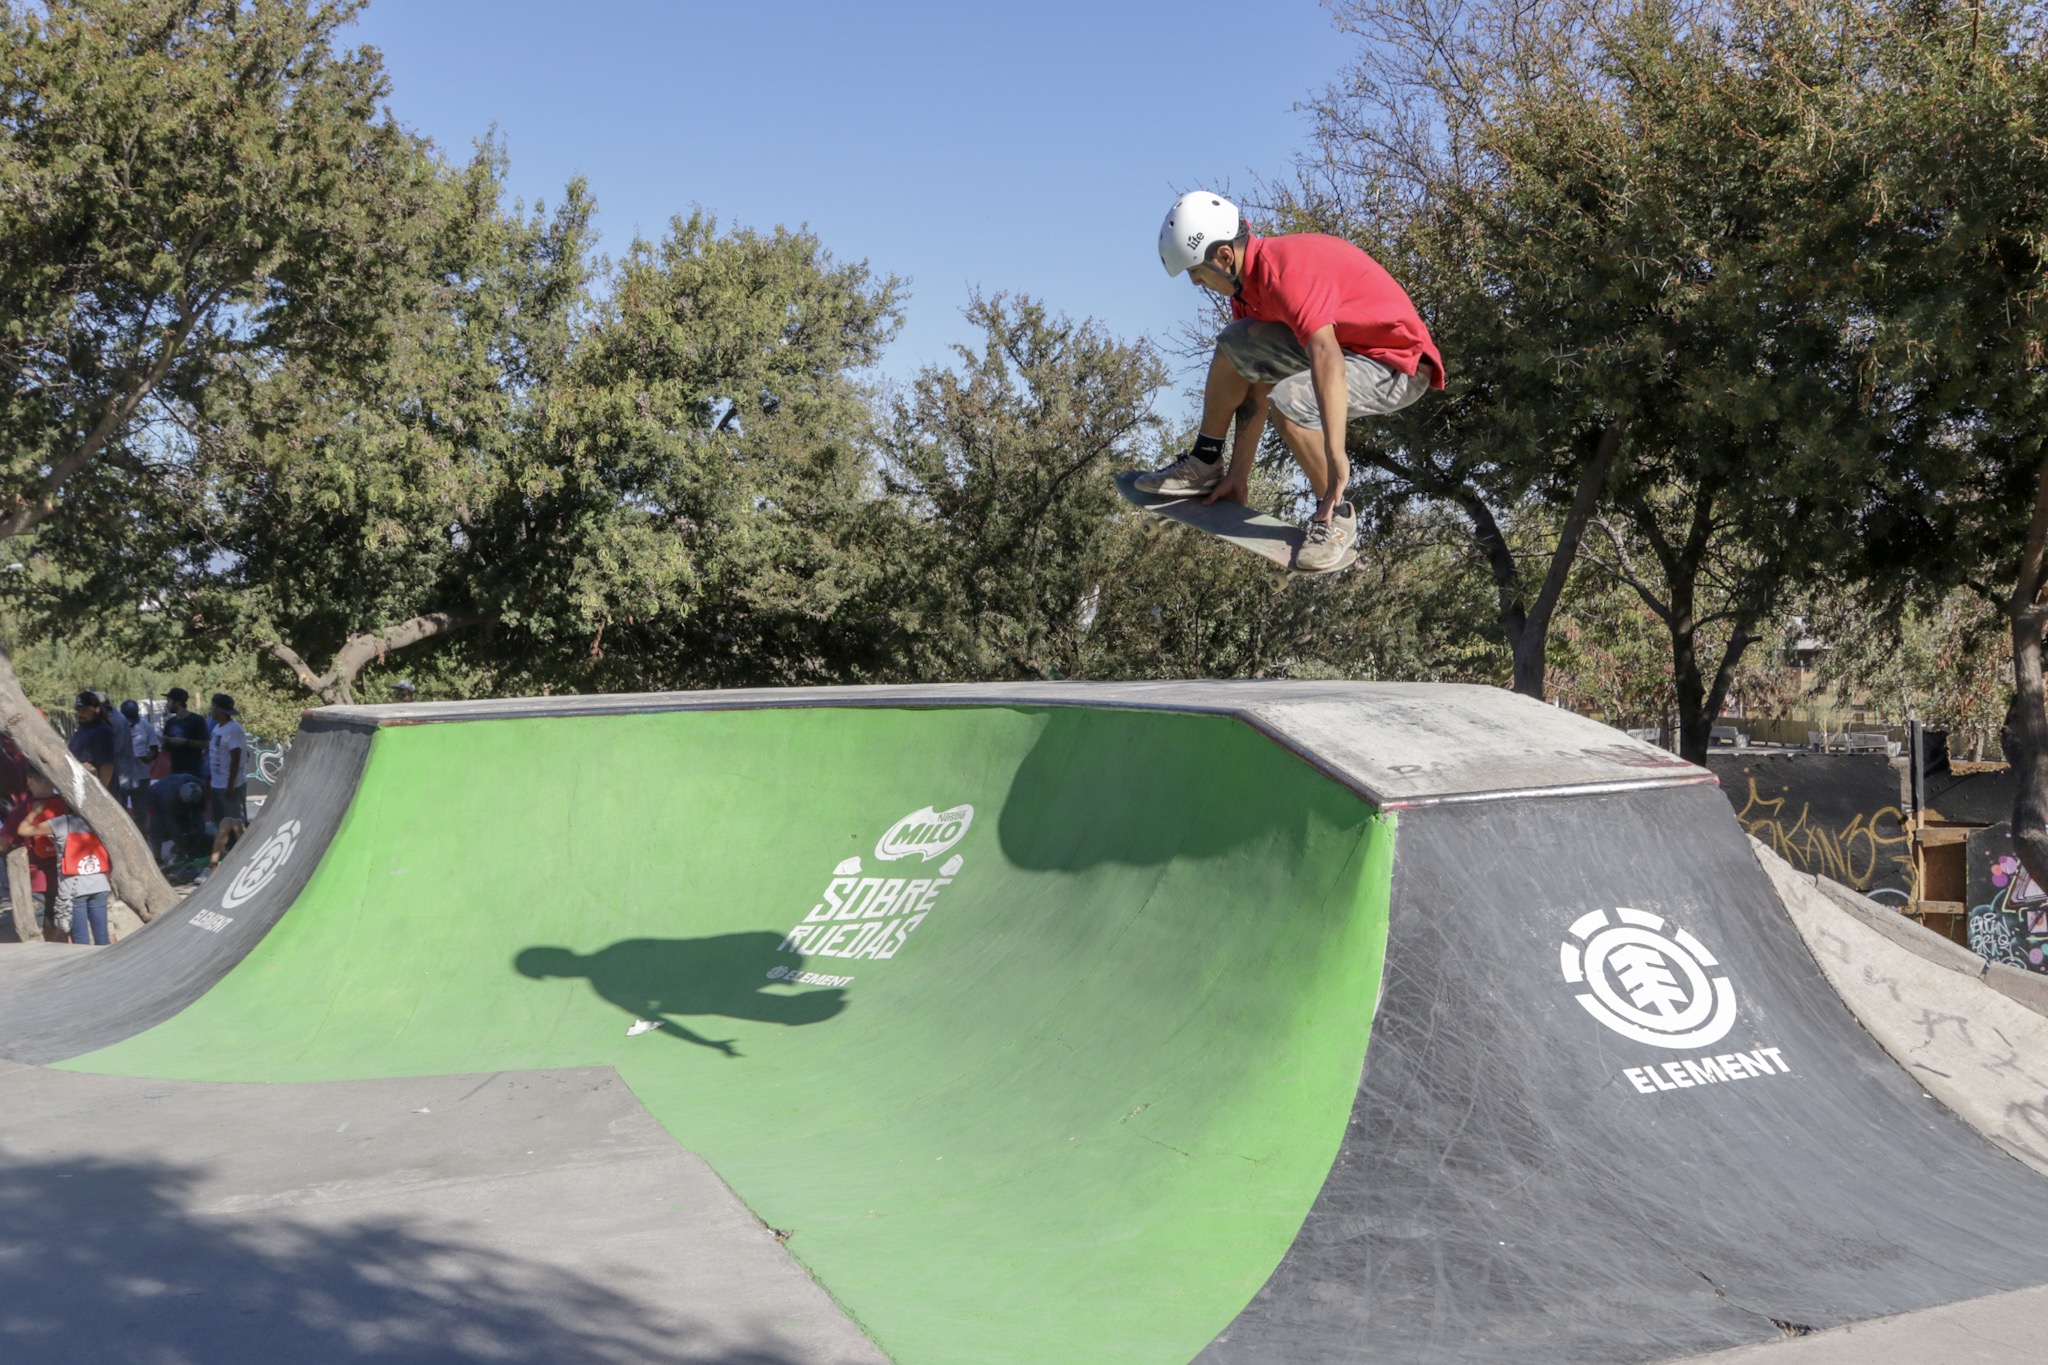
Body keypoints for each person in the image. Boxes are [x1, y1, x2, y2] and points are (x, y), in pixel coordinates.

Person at [1140, 191, 1445, 571]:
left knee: (1294, 403)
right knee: (1234, 344)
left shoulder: (1287, 274)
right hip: (1348, 349)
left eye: (1196, 272)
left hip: (1398, 365)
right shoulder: (1248, 291)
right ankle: (1206, 462)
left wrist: (1336, 453)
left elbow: (1326, 357)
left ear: (1223, 256)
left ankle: (1335, 516)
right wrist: (1239, 474)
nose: (1197, 283)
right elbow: (1258, 383)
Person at [19, 787, 113, 946]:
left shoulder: (61, 823)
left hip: (74, 889)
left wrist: (35, 812)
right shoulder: (100, 822)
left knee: (80, 939)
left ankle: (86, 970)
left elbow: (23, 830)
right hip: (100, 884)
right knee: (102, 936)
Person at [207, 692, 248, 826]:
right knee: (221, 822)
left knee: (235, 822)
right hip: (217, 784)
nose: (211, 709)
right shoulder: (217, 728)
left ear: (220, 710)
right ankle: (225, 847)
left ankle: (241, 845)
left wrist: (231, 786)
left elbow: (235, 759)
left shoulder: (233, 729)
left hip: (230, 785)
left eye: (213, 707)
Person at [67, 691, 117, 791]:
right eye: (78, 710)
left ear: (97, 709)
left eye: (85, 710)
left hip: (97, 792)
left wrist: (101, 793)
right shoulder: (83, 728)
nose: (80, 714)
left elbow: (107, 766)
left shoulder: (102, 731)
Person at [115, 699, 156, 813]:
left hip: (141, 775)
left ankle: (141, 830)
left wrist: (147, 758)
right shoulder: (116, 728)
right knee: (119, 809)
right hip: (121, 775)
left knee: (140, 810)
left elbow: (154, 750)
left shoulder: (146, 726)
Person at [159, 687, 207, 779]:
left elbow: (205, 744)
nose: (167, 704)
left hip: (194, 772)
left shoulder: (197, 720)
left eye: (169, 701)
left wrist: (185, 742)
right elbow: (165, 749)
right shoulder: (170, 722)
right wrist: (165, 743)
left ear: (177, 703)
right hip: (175, 772)